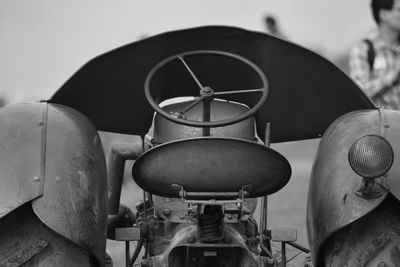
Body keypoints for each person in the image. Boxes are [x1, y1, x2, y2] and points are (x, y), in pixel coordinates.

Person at [349, 0, 400, 110]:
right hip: (378, 125)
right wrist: (391, 77)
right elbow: (359, 95)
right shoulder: (362, 49)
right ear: (384, 15)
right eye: (399, 10)